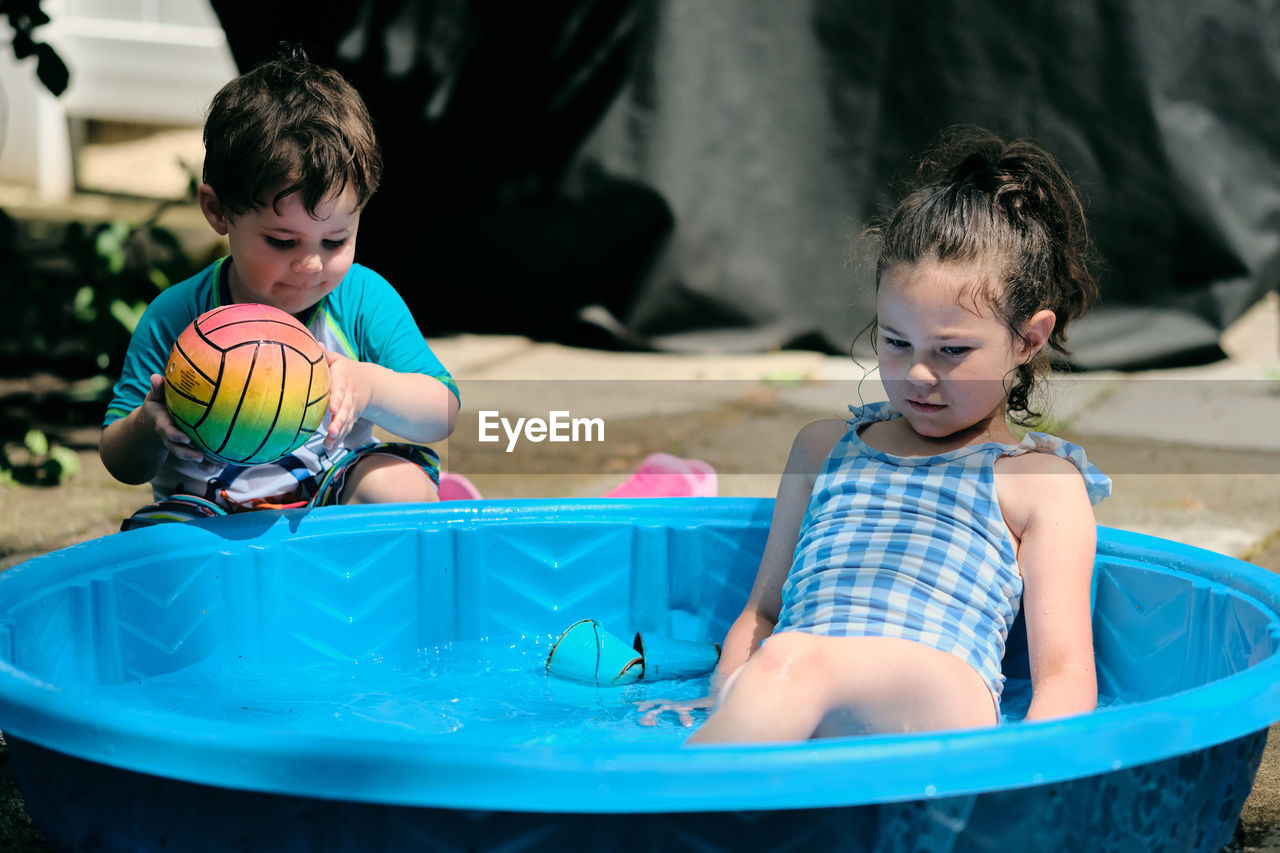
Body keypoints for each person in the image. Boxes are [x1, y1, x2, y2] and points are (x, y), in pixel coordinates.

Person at [639, 129, 1111, 740]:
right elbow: (762, 612)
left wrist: (1022, 786)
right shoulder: (822, 449)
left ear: (1028, 339)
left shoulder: (1038, 483)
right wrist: (726, 698)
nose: (918, 372)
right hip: (799, 677)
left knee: (792, 662)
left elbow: (1067, 676)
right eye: (895, 342)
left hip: (939, 694)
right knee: (786, 663)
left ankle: (655, 815)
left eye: (952, 350)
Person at [100, 45, 459, 527]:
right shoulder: (179, 318)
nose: (311, 264)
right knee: (153, 542)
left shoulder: (359, 299)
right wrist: (148, 429)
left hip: (331, 490)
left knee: (399, 488)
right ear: (218, 211)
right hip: (205, 505)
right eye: (282, 240)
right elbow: (121, 461)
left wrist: (370, 386)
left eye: (335, 240)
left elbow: (443, 413)